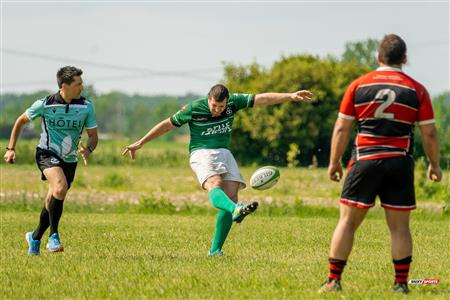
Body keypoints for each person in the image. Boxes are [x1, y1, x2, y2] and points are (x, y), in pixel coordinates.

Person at [123, 84, 313, 256]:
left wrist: (290, 96)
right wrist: (140, 143)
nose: (217, 110)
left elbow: (262, 98)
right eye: (214, 106)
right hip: (201, 153)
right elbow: (166, 125)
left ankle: (215, 250)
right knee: (215, 184)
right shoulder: (193, 108)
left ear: (226, 102)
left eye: (221, 107)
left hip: (224, 152)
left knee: (231, 196)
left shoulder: (233, 103)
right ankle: (236, 210)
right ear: (208, 99)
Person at [320, 34, 442, 294]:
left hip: (365, 160)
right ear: (405, 59)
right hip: (399, 162)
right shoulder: (416, 90)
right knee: (399, 228)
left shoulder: (358, 85)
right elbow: (429, 133)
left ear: (378, 57)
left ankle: (333, 282)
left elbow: (342, 128)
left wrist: (334, 162)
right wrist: (435, 165)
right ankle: (400, 285)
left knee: (347, 223)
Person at [3, 66, 98, 256]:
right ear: (65, 86)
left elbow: (93, 136)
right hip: (46, 153)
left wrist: (88, 149)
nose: (82, 87)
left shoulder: (86, 106)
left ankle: (35, 237)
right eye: (78, 84)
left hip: (70, 159)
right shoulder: (45, 104)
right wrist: (11, 148)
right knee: (60, 187)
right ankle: (53, 236)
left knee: (53, 197)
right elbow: (21, 121)